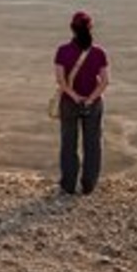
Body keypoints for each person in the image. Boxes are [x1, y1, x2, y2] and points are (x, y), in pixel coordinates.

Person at [53, 11, 109, 195]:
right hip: (93, 104)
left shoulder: (62, 51)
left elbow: (60, 81)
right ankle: (88, 185)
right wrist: (91, 99)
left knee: (68, 143)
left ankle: (68, 185)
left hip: (69, 102)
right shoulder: (99, 52)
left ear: (72, 28)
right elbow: (104, 81)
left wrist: (75, 97)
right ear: (90, 28)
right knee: (93, 144)